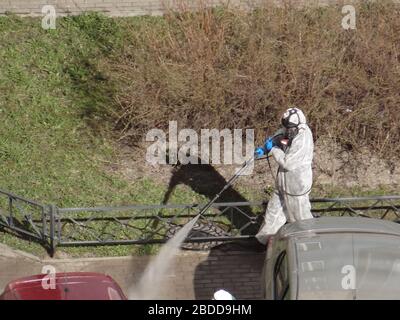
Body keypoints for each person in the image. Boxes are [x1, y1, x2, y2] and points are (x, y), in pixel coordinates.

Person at [254, 107, 314, 245]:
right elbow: (280, 137)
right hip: (282, 182)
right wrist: (265, 147)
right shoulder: (289, 129)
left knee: (300, 217)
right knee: (273, 212)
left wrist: (273, 149)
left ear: (299, 125)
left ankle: (310, 243)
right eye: (285, 127)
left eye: (290, 127)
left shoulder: (304, 138)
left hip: (296, 185)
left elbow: (288, 163)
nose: (287, 130)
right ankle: (262, 241)